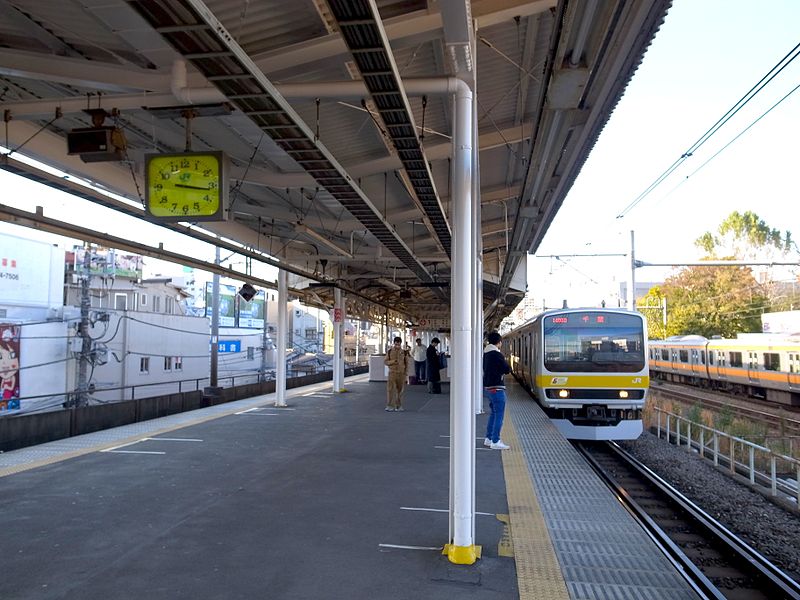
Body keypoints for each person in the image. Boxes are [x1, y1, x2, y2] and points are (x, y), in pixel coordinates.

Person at [483, 331, 512, 450]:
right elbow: (507, 369)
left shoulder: (486, 353)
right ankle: (495, 441)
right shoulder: (496, 354)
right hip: (496, 388)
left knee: (494, 413)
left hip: (488, 387)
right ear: (499, 342)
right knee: (499, 414)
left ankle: (489, 438)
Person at [383, 336, 409, 411]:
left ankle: (398, 406)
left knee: (400, 390)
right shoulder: (390, 351)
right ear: (394, 343)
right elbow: (385, 361)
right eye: (396, 343)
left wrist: (406, 373)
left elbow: (407, 363)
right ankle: (390, 406)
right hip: (392, 373)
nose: (397, 345)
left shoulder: (404, 352)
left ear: (400, 343)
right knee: (390, 389)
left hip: (401, 373)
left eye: (399, 343)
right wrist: (392, 361)